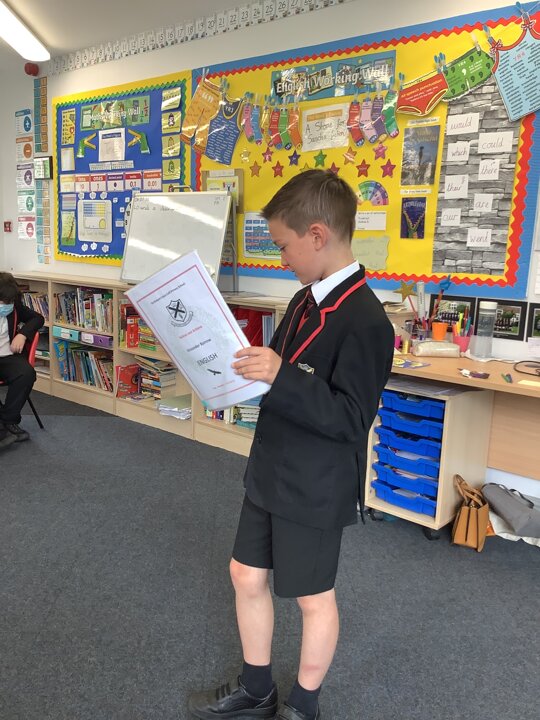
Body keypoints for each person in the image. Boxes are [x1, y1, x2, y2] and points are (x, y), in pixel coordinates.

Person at [188, 170, 394, 720]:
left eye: (283, 245)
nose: (281, 258)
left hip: (315, 484)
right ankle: (257, 689)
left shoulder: (368, 321)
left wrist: (281, 376)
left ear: (317, 235)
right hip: (270, 466)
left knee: (312, 597)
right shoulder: (304, 300)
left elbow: (351, 419)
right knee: (244, 573)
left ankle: (303, 706)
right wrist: (228, 370)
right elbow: (276, 375)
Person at [0, 271, 44, 446]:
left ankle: (8, 421)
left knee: (26, 373)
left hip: (8, 357)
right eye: (3, 302)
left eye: (10, 302)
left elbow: (38, 319)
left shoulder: (14, 306)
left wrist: (23, 334)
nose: (7, 306)